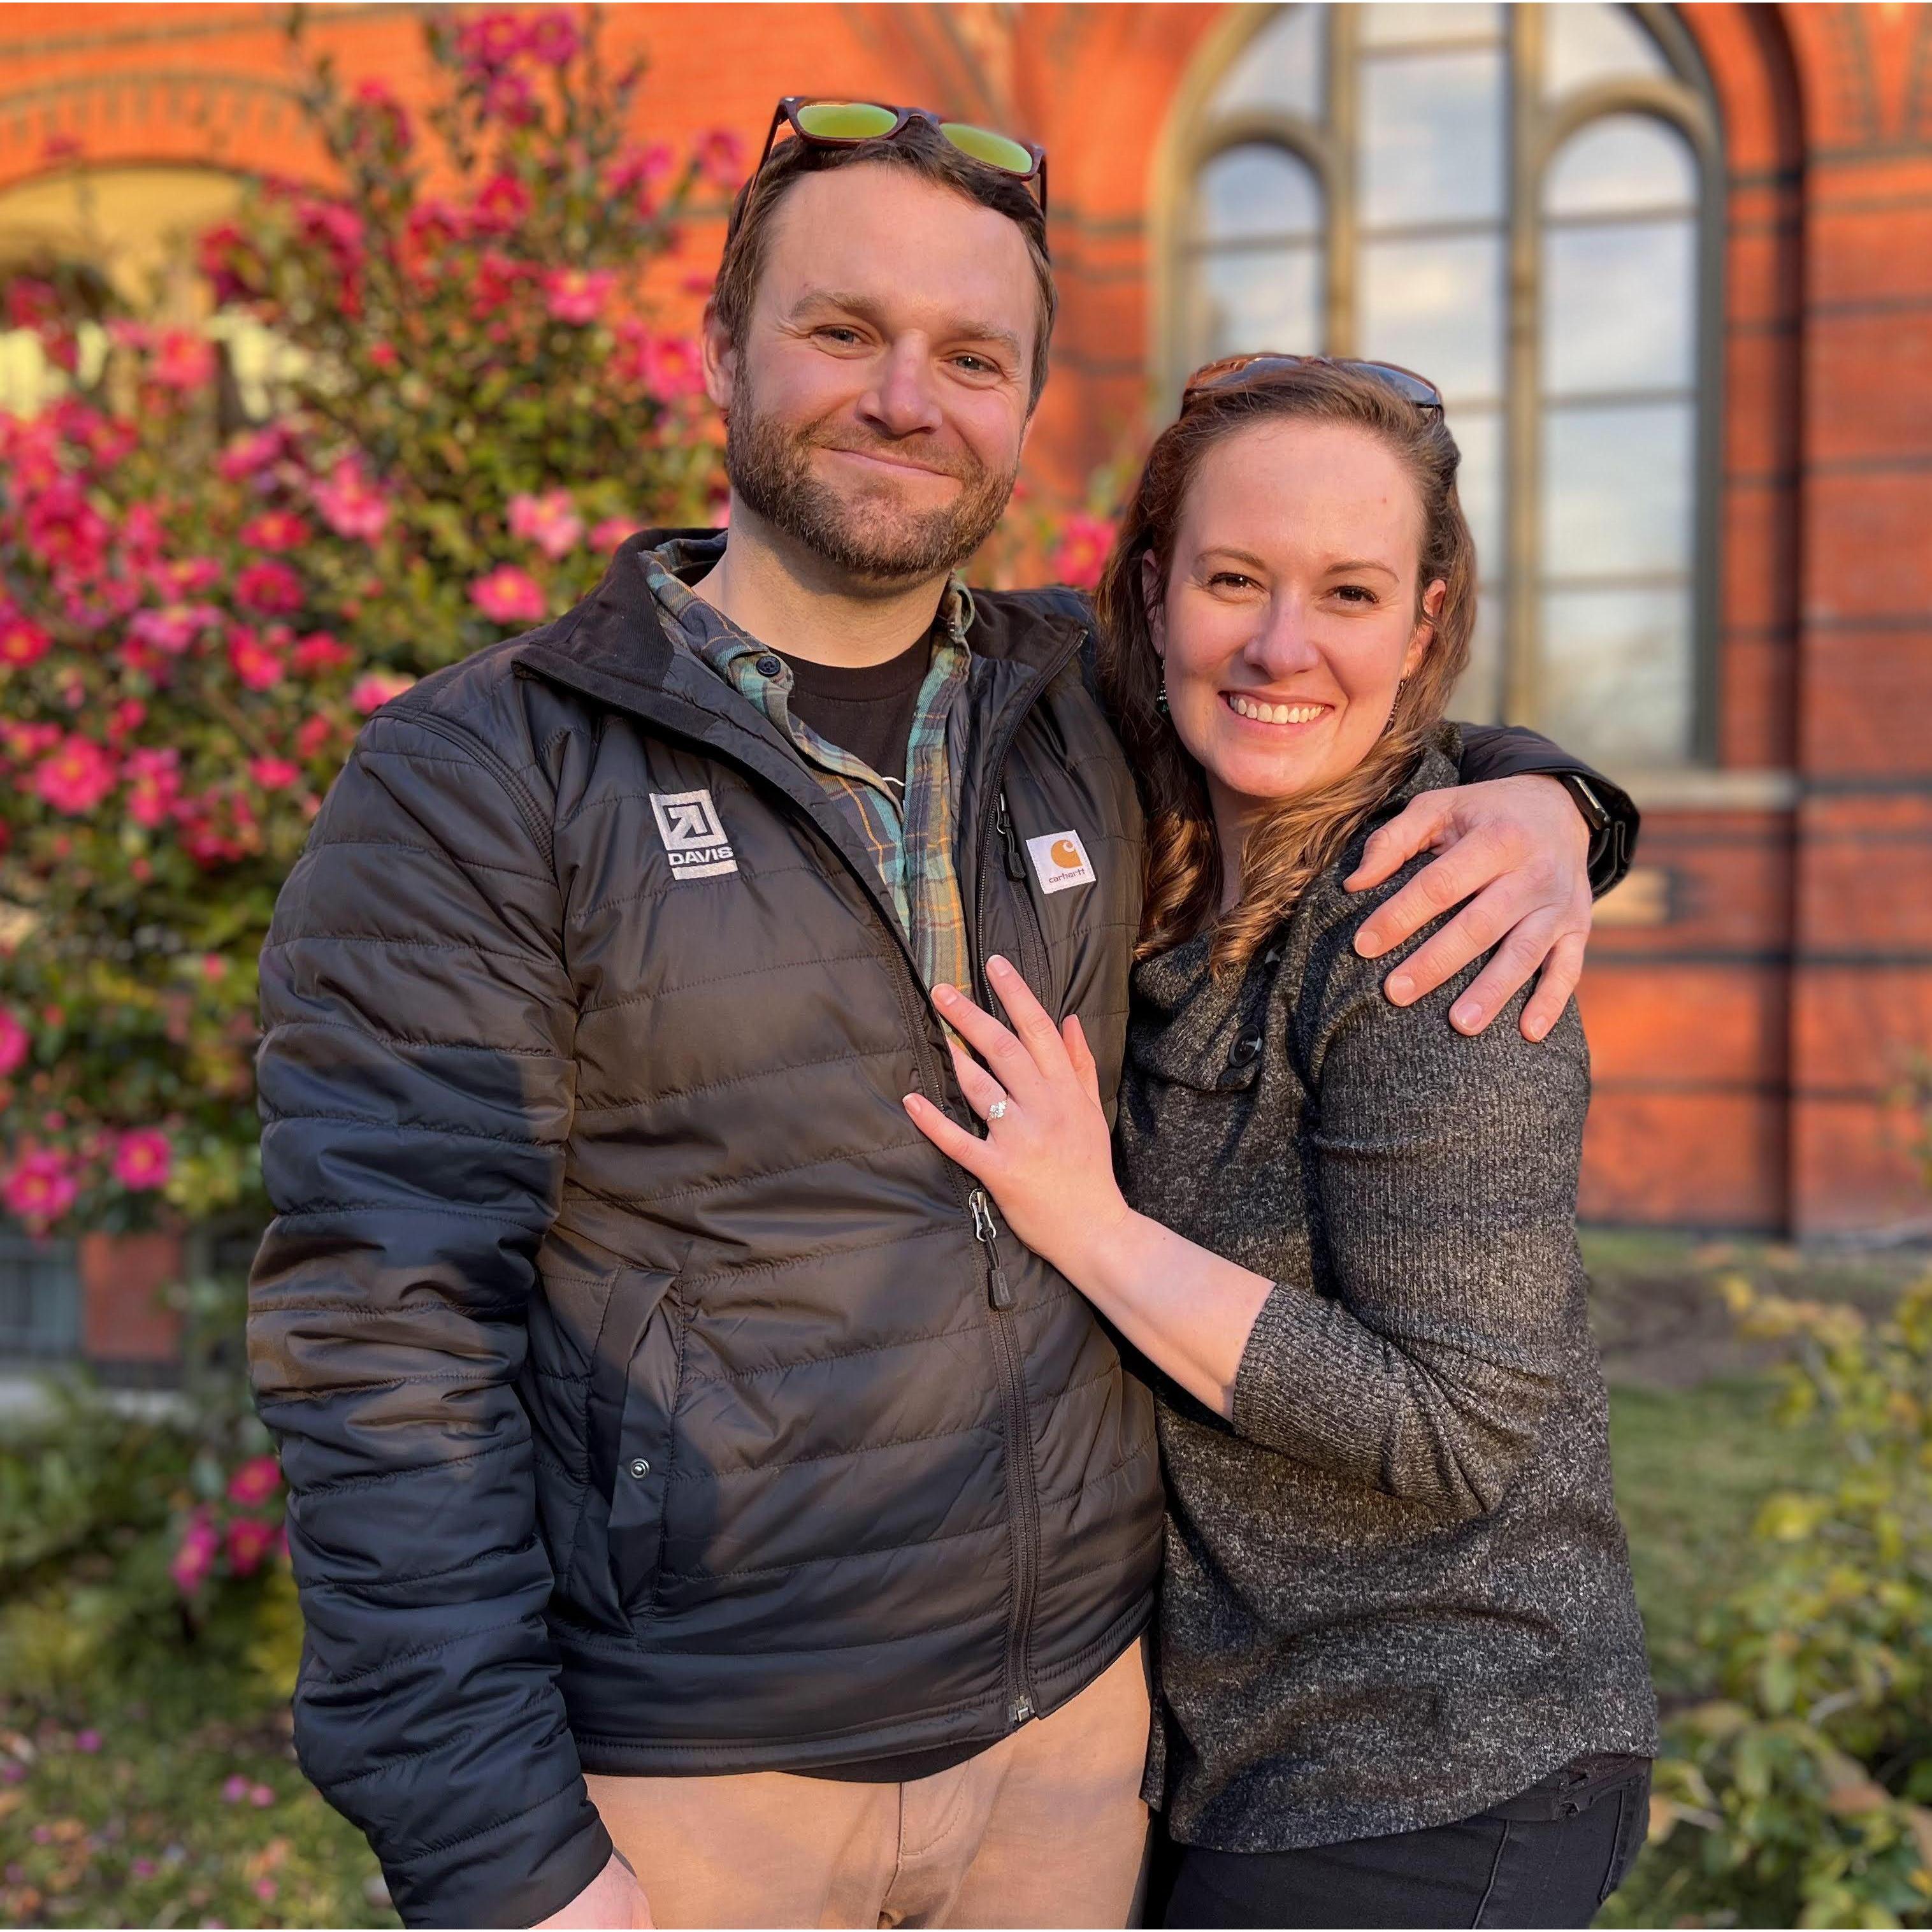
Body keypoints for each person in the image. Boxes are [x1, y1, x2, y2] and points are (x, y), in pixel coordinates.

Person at [248, 105, 1638, 1931]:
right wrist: (498, 1858)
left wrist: (1555, 807)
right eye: (843, 331)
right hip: (701, 1776)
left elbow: (1328, 715)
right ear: (726, 350)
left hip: (1078, 1755)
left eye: (971, 356)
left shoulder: (1071, 709)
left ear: (1024, 406)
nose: (908, 397)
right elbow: (383, 1335)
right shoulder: (482, 775)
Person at [904, 356, 1660, 1931]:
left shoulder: (1435, 933)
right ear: (1151, 593)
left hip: (1440, 1760)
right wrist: (1559, 792)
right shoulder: (1169, 839)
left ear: (1424, 624)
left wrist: (1084, 1219)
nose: (1279, 643)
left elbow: (1454, 1422)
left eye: (1349, 592)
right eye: (1233, 578)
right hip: (1239, 1748)